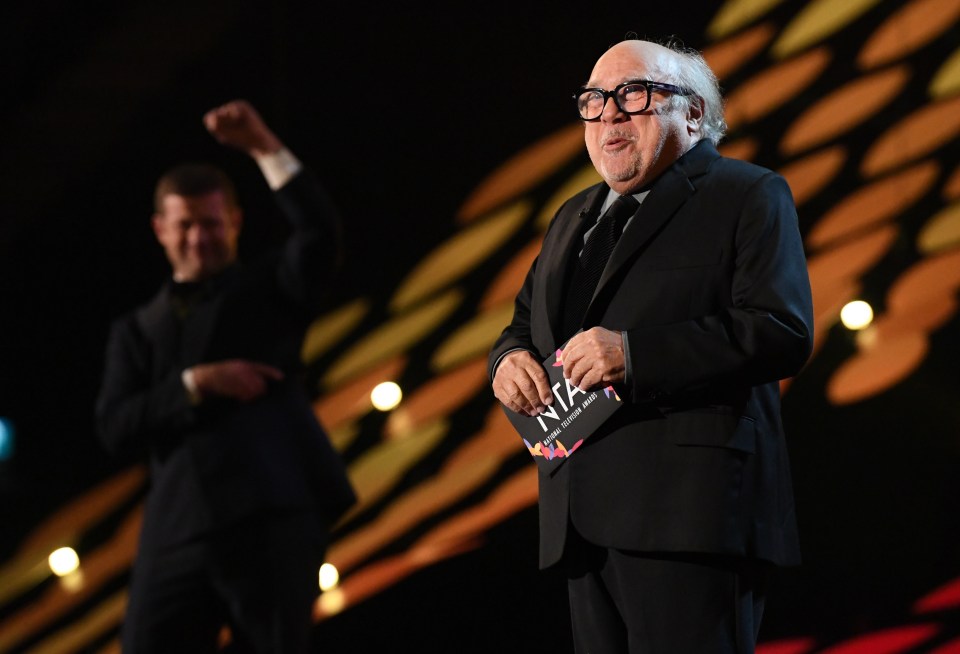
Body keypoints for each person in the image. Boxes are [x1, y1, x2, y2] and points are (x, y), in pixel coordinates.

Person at [489, 37, 813, 653]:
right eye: (593, 100)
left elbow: (782, 331)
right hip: (579, 518)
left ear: (693, 114)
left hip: (689, 516)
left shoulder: (747, 194)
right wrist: (505, 361)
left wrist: (634, 356)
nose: (608, 113)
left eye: (632, 94)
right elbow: (525, 324)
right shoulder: (571, 218)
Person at [96, 99, 357, 654]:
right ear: (160, 229)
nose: (198, 238)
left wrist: (264, 146)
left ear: (235, 223)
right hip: (175, 533)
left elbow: (318, 233)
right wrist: (197, 383)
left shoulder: (269, 292)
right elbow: (114, 426)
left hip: (271, 516)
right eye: (185, 225)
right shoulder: (135, 331)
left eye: (211, 223)